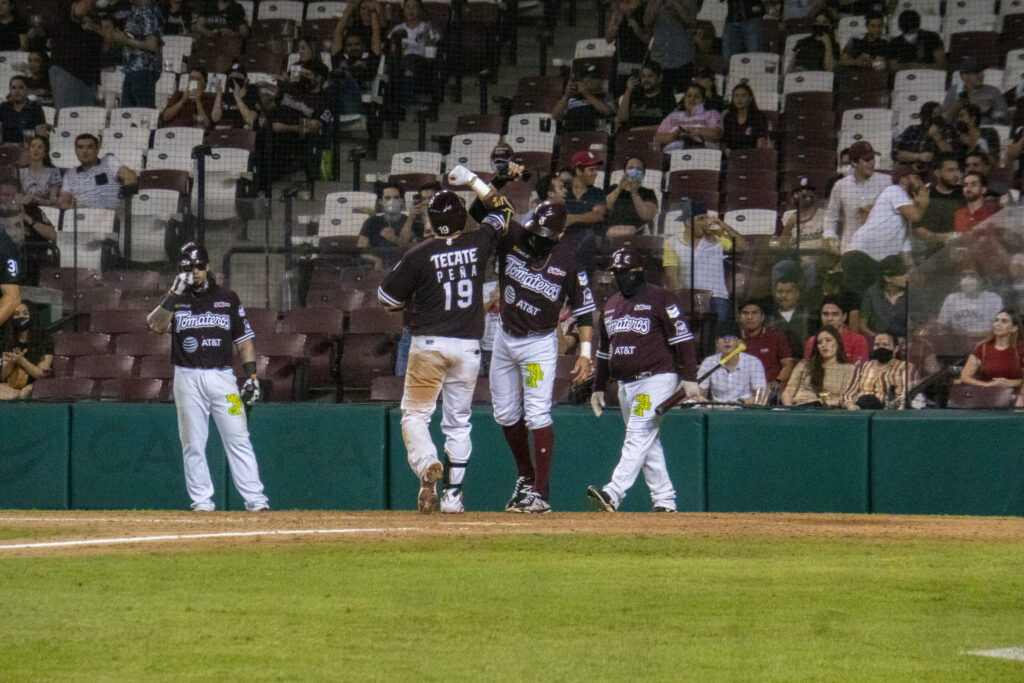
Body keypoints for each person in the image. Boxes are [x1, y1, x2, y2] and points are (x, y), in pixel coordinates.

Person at [377, 166, 512, 514]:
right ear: (461, 219)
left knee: (415, 415)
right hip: (468, 348)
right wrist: (473, 181)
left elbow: (386, 299)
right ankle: (453, 498)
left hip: (429, 347)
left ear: (432, 222)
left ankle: (426, 465)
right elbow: (503, 211)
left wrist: (418, 298)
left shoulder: (419, 253)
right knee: (458, 422)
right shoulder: (478, 241)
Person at [145, 242, 270, 512]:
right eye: (190, 268)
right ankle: (202, 503)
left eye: (200, 266)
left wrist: (252, 375)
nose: (196, 272)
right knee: (192, 442)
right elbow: (154, 326)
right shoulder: (176, 299)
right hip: (187, 378)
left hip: (225, 380)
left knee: (239, 436)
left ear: (208, 266)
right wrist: (172, 293)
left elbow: (245, 341)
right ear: (182, 270)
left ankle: (257, 502)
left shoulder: (228, 298)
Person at [489, 198, 595, 513]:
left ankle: (540, 493)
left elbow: (586, 311)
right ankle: (525, 475)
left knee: (537, 413)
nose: (538, 238)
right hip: (504, 339)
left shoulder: (569, 261)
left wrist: (585, 353)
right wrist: (473, 180)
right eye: (536, 231)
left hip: (537, 346)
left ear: (560, 235)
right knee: (505, 414)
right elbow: (489, 207)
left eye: (546, 234)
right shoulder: (516, 235)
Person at [587, 246, 698, 512]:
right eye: (616, 272)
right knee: (648, 441)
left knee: (637, 434)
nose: (620, 277)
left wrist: (690, 377)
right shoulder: (612, 304)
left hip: (656, 378)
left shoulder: (661, 298)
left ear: (639, 271)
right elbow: (603, 351)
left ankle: (613, 493)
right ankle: (665, 500)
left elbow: (683, 338)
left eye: (624, 272)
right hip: (625, 384)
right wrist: (598, 387)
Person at [843, 169, 927, 292]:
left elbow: (906, 255)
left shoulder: (903, 225)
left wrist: (915, 274)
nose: (920, 183)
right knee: (860, 301)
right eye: (916, 178)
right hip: (860, 255)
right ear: (903, 180)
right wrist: (925, 199)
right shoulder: (894, 190)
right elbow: (916, 216)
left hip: (875, 264)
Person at [664, 201, 747, 324]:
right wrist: (680, 301)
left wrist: (723, 225)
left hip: (717, 297)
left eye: (706, 218)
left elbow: (742, 247)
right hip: (689, 298)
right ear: (688, 222)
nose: (705, 222)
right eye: (700, 219)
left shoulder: (717, 238)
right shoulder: (672, 243)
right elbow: (671, 276)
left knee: (718, 339)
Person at [263, 60, 332, 182]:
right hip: (272, 133)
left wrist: (285, 128)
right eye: (302, 74)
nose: (303, 78)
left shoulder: (323, 100)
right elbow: (272, 106)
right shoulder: (292, 89)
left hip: (298, 142)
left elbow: (313, 127)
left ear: (319, 78)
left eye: (308, 75)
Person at [823, 140, 892, 255]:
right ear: (854, 163)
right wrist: (830, 237)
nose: (871, 163)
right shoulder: (840, 186)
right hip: (851, 250)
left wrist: (877, 211)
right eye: (866, 160)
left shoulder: (887, 181)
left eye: (872, 158)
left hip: (880, 250)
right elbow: (830, 217)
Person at [45, 0, 103, 109]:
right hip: (68, 70)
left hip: (89, 75)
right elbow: (78, 11)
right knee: (68, 118)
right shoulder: (66, 6)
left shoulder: (95, 13)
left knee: (87, 122)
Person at [58, 134, 138, 211]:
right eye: (80, 147)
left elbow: (130, 175)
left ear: (97, 150)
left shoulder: (109, 161)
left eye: (89, 147)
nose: (84, 151)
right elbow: (65, 197)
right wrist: (67, 206)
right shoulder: (70, 174)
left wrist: (125, 204)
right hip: (81, 217)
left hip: (110, 216)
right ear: (76, 151)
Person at [781, 325, 857, 406]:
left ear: (838, 343)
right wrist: (789, 409)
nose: (823, 345)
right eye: (819, 342)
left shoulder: (849, 369)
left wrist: (820, 403)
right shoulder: (804, 365)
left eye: (828, 340)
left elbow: (847, 398)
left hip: (828, 411)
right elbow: (788, 392)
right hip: (798, 408)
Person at [842, 331, 916, 409]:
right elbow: (849, 393)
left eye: (885, 344)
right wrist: (849, 405)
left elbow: (907, 397)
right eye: (877, 345)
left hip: (888, 413)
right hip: (860, 410)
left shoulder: (905, 368)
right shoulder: (863, 366)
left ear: (895, 349)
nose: (880, 348)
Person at [697, 321, 767, 403]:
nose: (727, 340)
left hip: (744, 409)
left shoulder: (753, 363)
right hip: (717, 410)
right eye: (723, 336)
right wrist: (709, 404)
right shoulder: (709, 362)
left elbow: (761, 397)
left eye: (732, 337)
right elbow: (698, 393)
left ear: (739, 342)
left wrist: (740, 403)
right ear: (716, 343)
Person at [109, 0, 163, 108]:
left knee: (144, 112)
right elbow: (131, 38)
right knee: (127, 114)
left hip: (144, 70)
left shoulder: (148, 13)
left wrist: (125, 41)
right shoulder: (134, 11)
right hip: (131, 69)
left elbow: (152, 45)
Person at [386, 0, 439, 104]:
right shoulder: (398, 28)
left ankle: (404, 100)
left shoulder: (426, 27)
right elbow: (391, 52)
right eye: (408, 7)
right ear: (404, 10)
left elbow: (432, 53)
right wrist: (398, 49)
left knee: (411, 59)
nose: (410, 10)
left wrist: (427, 34)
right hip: (400, 62)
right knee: (398, 65)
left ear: (420, 11)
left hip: (422, 63)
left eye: (414, 7)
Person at [911, 153, 962, 260]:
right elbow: (917, 230)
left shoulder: (965, 193)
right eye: (950, 170)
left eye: (957, 170)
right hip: (935, 254)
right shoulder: (927, 196)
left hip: (962, 251)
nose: (955, 174)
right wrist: (943, 238)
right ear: (938, 173)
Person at [643, 0, 699, 94]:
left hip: (682, 60)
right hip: (659, 60)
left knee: (682, 96)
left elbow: (691, 22)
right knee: (660, 97)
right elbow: (647, 22)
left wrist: (674, 3)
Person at [959, 310, 1023, 390]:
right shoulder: (982, 348)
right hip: (988, 396)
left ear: (1014, 328)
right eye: (996, 320)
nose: (997, 324)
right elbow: (965, 376)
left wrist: (1011, 383)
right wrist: (986, 385)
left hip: (1016, 397)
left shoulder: (1021, 348)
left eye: (1004, 321)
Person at [0, 302, 52, 400]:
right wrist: (11, 362)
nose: (21, 317)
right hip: (11, 386)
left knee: (28, 390)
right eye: (16, 314)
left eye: (25, 313)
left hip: (34, 385)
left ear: (32, 316)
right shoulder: (6, 340)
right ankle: (17, 396)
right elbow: (2, 377)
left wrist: (21, 360)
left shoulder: (44, 339)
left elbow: (41, 374)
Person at [739, 298, 794, 388]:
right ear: (740, 317)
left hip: (771, 388)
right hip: (742, 389)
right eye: (745, 313)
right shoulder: (734, 339)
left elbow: (788, 365)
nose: (749, 317)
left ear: (762, 317)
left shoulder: (776, 337)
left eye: (754, 313)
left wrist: (778, 382)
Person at [655, 82, 724, 152]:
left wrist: (694, 131)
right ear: (684, 98)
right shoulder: (672, 116)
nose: (692, 99)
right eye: (689, 96)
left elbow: (716, 134)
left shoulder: (712, 114)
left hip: (703, 155)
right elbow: (658, 138)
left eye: (696, 96)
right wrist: (675, 135)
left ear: (703, 100)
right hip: (673, 155)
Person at [803, 295, 869, 365]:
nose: (829, 319)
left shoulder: (858, 341)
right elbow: (808, 370)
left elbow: (858, 371)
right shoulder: (812, 341)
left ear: (844, 317)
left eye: (835, 314)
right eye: (825, 314)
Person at [943, 56, 1008, 126]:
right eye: (976, 73)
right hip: (959, 131)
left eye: (982, 72)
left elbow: (1005, 117)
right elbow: (943, 119)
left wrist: (989, 111)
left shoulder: (993, 91)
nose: (981, 75)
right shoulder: (953, 90)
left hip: (984, 130)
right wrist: (957, 105)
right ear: (964, 76)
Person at [936, 267, 1003, 334]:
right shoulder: (952, 299)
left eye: (972, 275)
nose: (967, 280)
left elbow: (999, 330)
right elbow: (941, 325)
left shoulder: (993, 299)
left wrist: (969, 334)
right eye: (963, 276)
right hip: (958, 342)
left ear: (981, 279)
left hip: (984, 341)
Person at [552, 63, 615, 134]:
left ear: (601, 81)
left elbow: (607, 111)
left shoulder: (606, 96)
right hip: (570, 134)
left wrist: (586, 94)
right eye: (584, 77)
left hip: (593, 134)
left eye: (593, 77)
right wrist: (566, 96)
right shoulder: (573, 97)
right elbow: (555, 115)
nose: (587, 80)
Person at [604, 156, 659, 238]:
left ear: (643, 175)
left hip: (638, 235)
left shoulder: (648, 193)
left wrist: (634, 192)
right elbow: (604, 207)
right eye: (631, 168)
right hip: (613, 233)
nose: (634, 171)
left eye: (638, 169)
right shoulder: (613, 189)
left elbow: (646, 215)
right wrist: (619, 188)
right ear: (625, 172)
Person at [604, 0, 650, 96]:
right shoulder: (618, 11)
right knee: (620, 94)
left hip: (638, 58)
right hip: (621, 60)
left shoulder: (644, 9)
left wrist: (631, 19)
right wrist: (617, 21)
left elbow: (646, 38)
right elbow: (608, 38)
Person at [357, 182, 407, 269]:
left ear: (401, 201)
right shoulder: (371, 222)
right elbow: (360, 250)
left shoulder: (409, 222)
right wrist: (375, 260)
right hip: (378, 270)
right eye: (387, 198)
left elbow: (416, 249)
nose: (392, 202)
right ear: (381, 202)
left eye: (396, 197)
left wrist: (394, 239)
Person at [615, 61, 676, 131]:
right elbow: (621, 118)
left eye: (650, 76)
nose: (646, 80)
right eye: (643, 76)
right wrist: (628, 92)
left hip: (654, 137)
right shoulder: (635, 94)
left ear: (660, 78)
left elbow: (669, 125)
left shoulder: (667, 98)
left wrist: (642, 129)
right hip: (631, 137)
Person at [893, 103, 956, 169]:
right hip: (911, 170)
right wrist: (918, 156)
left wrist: (937, 137)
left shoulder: (947, 129)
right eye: (935, 114)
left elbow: (951, 155)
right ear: (923, 116)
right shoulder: (912, 130)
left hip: (935, 171)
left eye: (940, 114)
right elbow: (896, 153)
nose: (938, 117)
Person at [769, 268, 812, 359]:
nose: (784, 296)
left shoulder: (808, 316)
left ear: (797, 294)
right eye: (780, 292)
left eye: (788, 291)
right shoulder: (769, 318)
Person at [886, 9, 945, 75]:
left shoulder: (932, 37)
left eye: (912, 25)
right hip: (904, 79)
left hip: (929, 76)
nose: (910, 28)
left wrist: (921, 67)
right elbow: (892, 69)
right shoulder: (894, 43)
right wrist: (910, 66)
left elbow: (941, 65)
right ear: (900, 27)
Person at [720, 82, 771, 156]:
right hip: (732, 156)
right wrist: (725, 150)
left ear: (750, 98)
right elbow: (723, 142)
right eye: (736, 96)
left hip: (752, 156)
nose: (739, 99)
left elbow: (761, 142)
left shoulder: (759, 116)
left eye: (743, 96)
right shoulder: (728, 117)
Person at [779, 175, 825, 249]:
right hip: (795, 258)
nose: (803, 194)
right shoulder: (791, 218)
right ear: (792, 197)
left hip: (819, 257)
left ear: (814, 194)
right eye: (798, 192)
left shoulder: (824, 215)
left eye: (808, 190)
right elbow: (783, 244)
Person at [210, 63, 260, 129]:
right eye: (230, 76)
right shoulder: (227, 96)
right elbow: (215, 118)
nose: (233, 80)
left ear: (245, 80)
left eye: (237, 76)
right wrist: (219, 95)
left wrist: (237, 97)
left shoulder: (252, 95)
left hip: (242, 135)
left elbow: (250, 119)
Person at [0, 75, 45, 144]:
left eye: (21, 88)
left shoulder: (36, 109)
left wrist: (16, 145)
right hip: (5, 151)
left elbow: (42, 139)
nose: (17, 91)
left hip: (29, 151)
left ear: (28, 90)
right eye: (13, 88)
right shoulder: (3, 108)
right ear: (9, 90)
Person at [722, 0, 765, 65]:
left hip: (752, 17)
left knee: (755, 58)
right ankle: (729, 73)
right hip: (732, 19)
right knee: (729, 59)